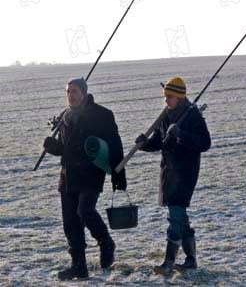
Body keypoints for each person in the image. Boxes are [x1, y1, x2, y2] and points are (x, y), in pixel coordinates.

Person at [43, 77, 127, 280]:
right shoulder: (65, 116)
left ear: (84, 93)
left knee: (85, 210)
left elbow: (115, 145)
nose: (70, 95)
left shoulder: (102, 115)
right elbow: (67, 149)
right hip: (68, 175)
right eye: (68, 92)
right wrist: (55, 149)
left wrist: (119, 174)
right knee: (70, 222)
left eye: (74, 91)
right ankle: (79, 266)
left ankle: (106, 242)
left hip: (91, 173)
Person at [135, 76, 211, 275]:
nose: (166, 100)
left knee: (176, 215)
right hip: (169, 172)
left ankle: (168, 263)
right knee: (180, 216)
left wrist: (181, 135)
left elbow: (205, 143)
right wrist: (144, 144)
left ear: (179, 97)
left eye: (169, 97)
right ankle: (191, 260)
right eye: (165, 97)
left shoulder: (192, 116)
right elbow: (160, 141)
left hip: (185, 173)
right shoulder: (166, 115)